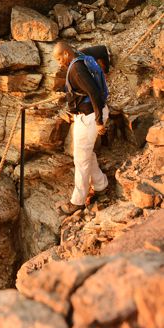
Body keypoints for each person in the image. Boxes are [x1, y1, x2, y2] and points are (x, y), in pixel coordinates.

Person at [52, 42, 112, 215]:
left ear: (65, 54)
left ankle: (77, 201)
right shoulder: (81, 54)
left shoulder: (77, 70)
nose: (58, 63)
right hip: (87, 116)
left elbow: (94, 92)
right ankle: (101, 185)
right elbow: (101, 49)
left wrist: (100, 121)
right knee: (85, 154)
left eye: (58, 58)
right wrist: (106, 67)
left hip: (90, 118)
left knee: (81, 160)